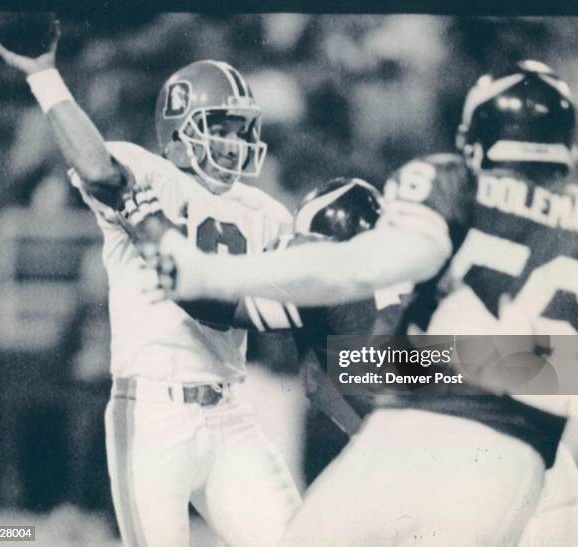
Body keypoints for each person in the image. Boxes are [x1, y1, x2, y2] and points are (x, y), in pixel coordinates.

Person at [156, 60, 578, 545]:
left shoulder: (449, 186)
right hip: (527, 459)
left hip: (419, 431)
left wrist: (198, 262)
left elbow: (357, 271)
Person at [0, 19, 301, 547]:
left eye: (241, 130)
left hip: (231, 411)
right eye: (220, 126)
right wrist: (44, 76)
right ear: (180, 127)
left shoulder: (266, 211)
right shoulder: (148, 171)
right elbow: (97, 166)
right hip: (153, 412)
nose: (233, 142)